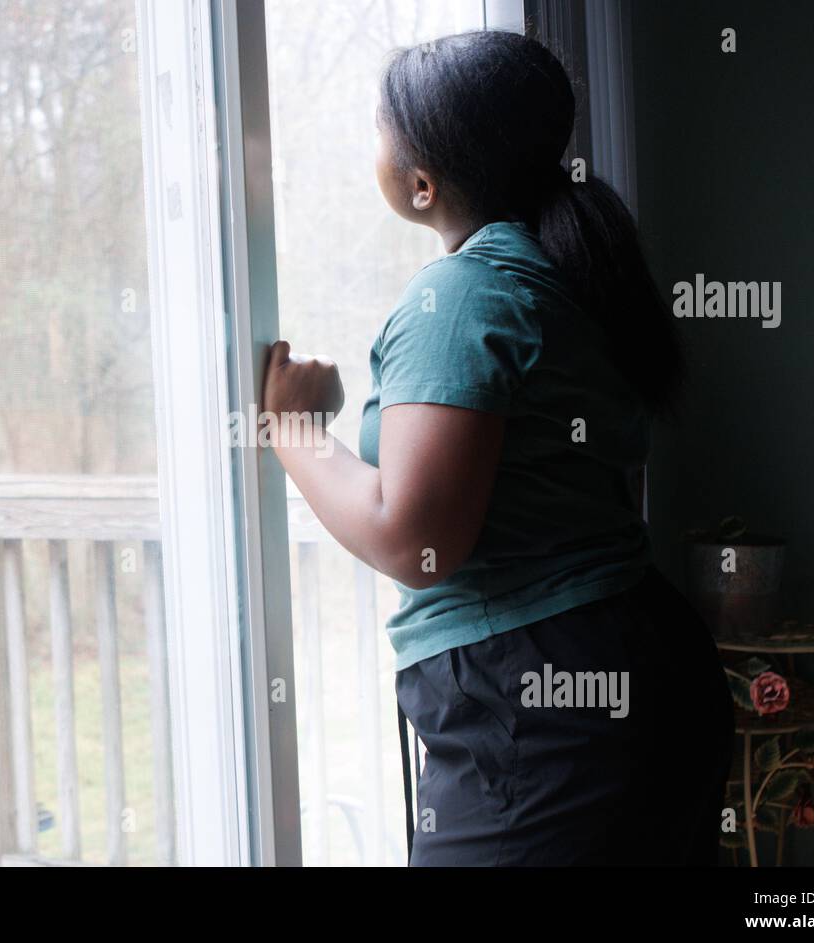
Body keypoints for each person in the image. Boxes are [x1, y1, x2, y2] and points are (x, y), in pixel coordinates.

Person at [260, 30, 733, 865]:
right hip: (642, 665)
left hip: (544, 711)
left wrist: (296, 432)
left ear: (421, 182)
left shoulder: (463, 294)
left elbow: (416, 540)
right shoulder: (573, 268)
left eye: (380, 132)